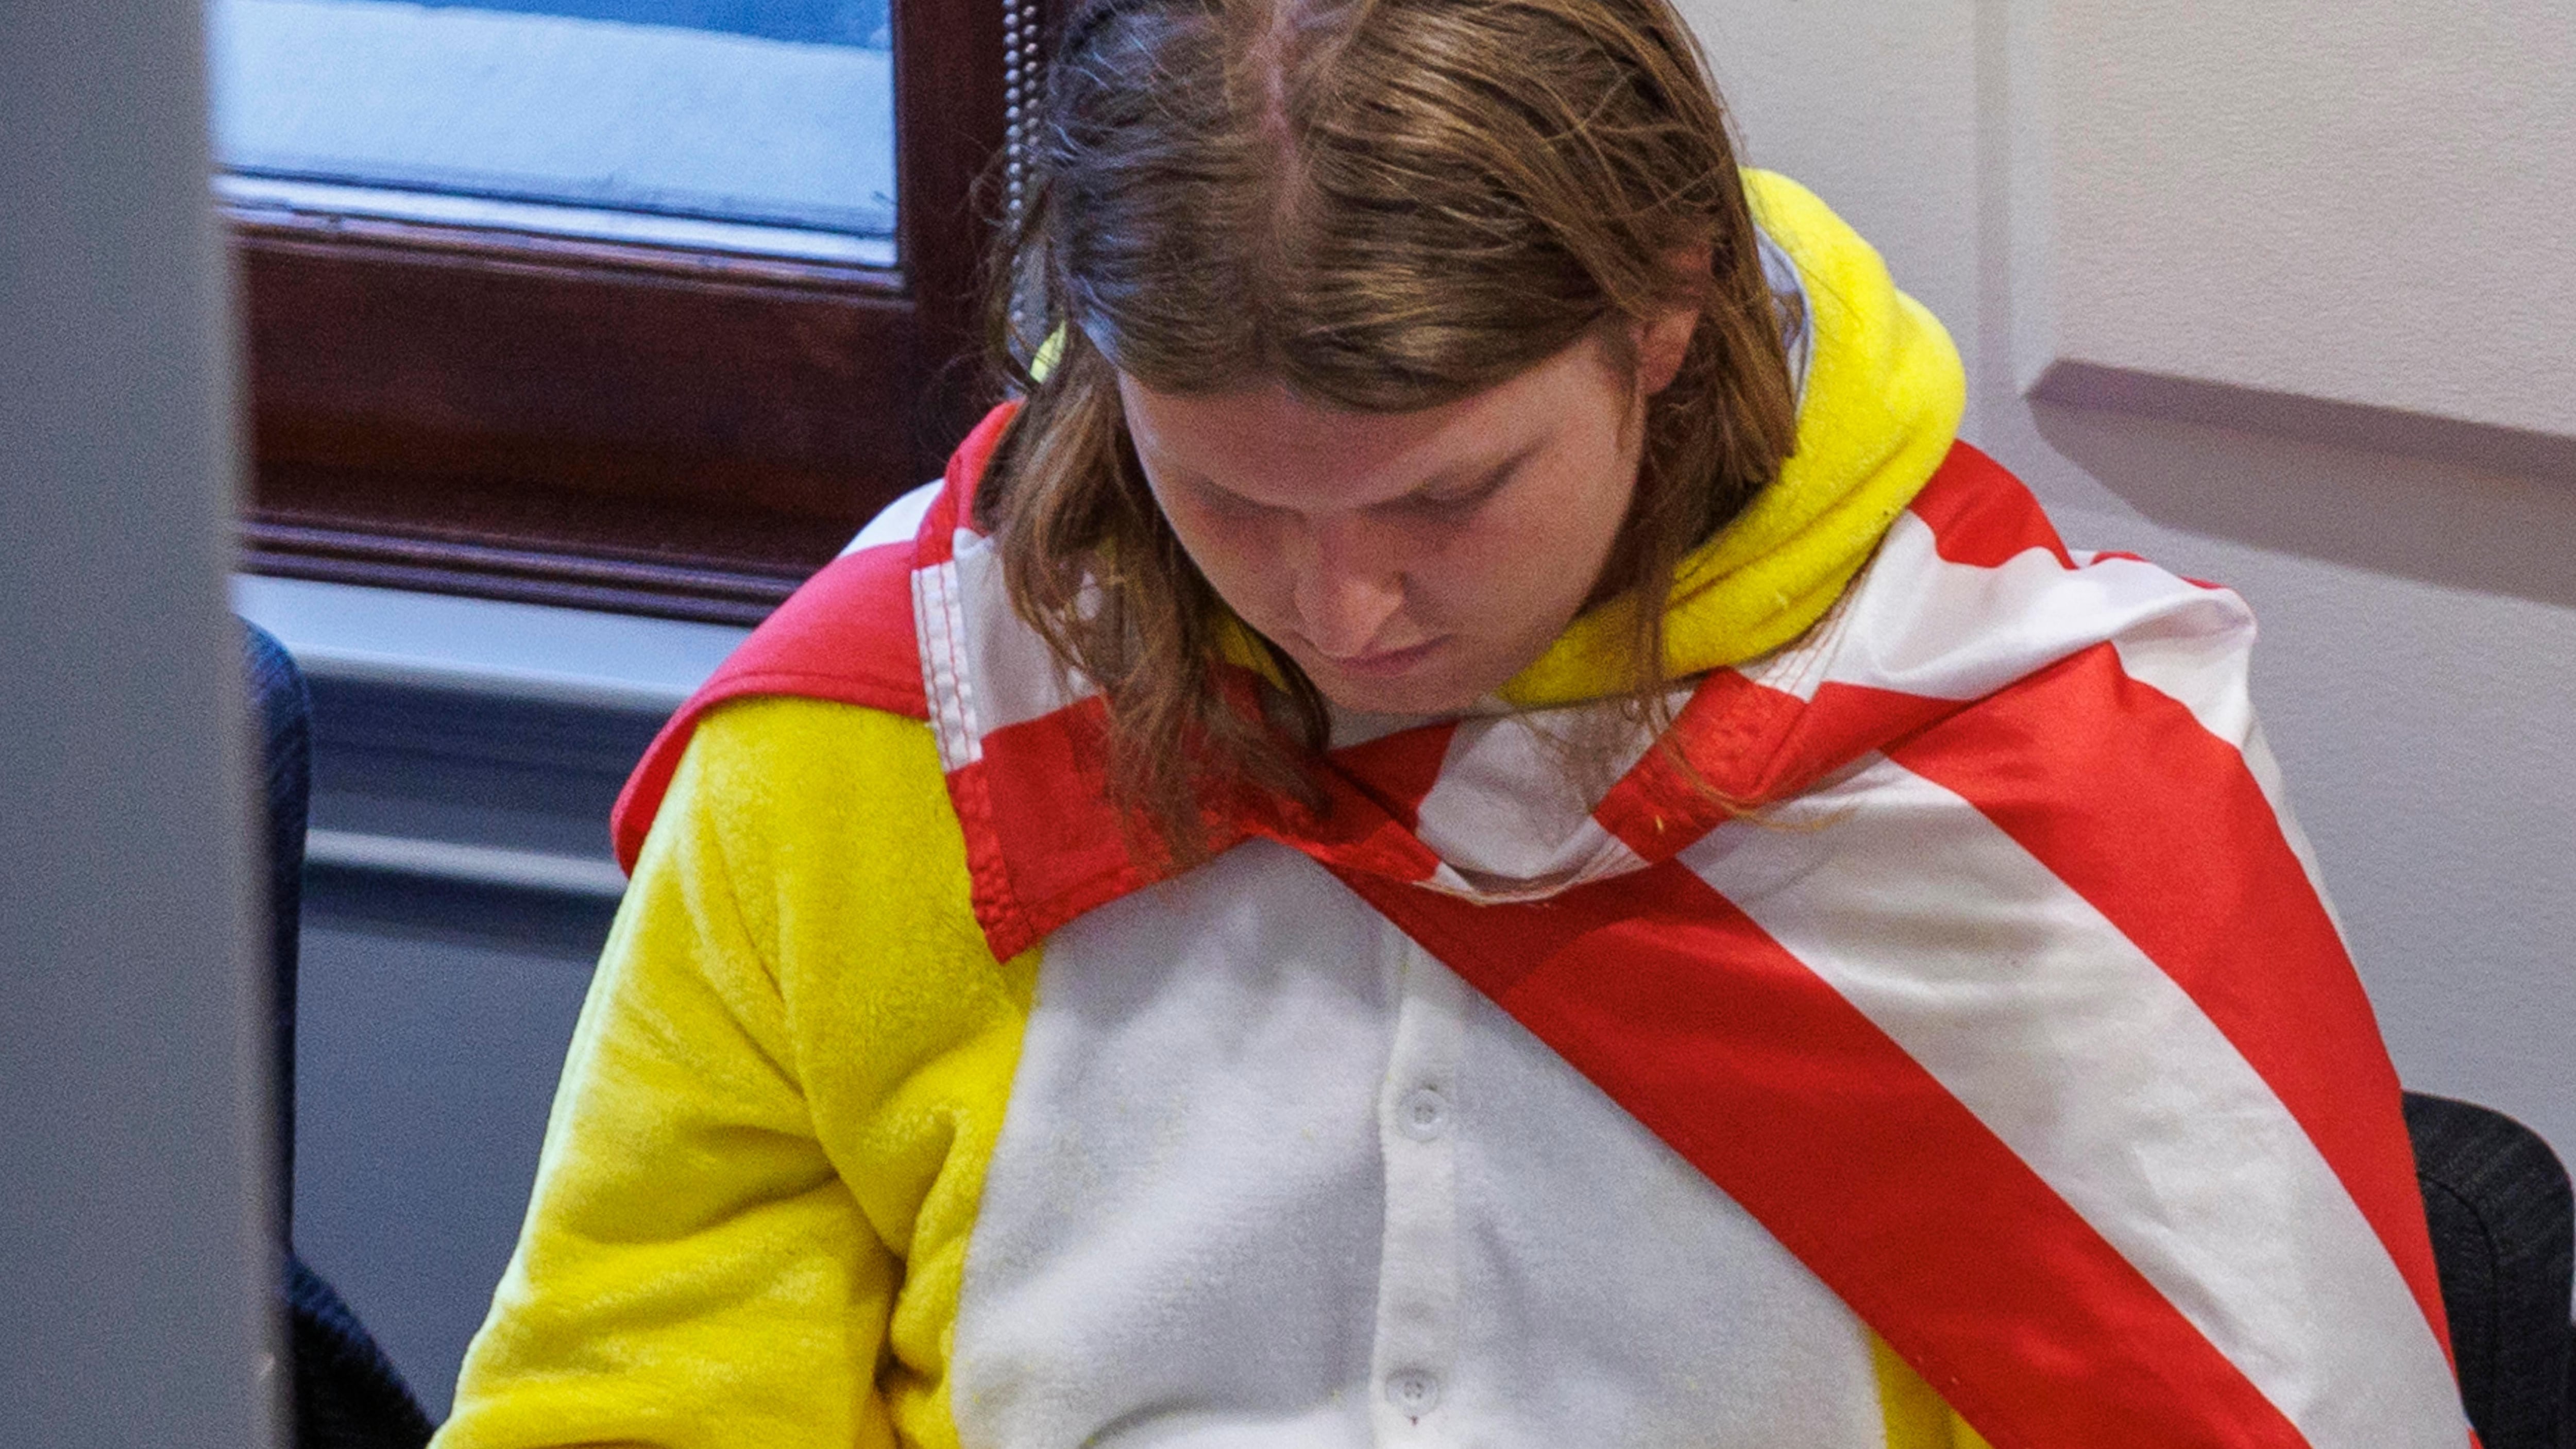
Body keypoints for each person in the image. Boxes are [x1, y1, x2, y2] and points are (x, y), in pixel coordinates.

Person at [432, 1, 2470, 1445]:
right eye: (1228, 496)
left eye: (1444, 496)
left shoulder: (2033, 768)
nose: (1342, 612)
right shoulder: (893, 727)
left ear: (1663, 312)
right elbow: (623, 1396)